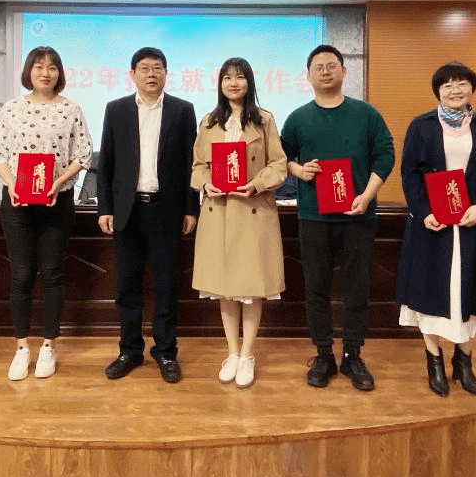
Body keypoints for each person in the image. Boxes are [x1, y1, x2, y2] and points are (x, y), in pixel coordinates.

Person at [280, 44, 395, 391]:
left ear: (344, 71)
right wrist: (299, 170)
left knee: (357, 287)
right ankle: (323, 354)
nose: (326, 71)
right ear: (308, 75)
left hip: (357, 215)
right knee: (315, 288)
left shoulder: (366, 114)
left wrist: (367, 195)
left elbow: (385, 155)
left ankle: (352, 355)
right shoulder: (298, 118)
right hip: (313, 217)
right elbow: (281, 158)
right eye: (318, 67)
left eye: (332, 65)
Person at [396, 62, 476, 397]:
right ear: (438, 92)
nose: (455, 90)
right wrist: (423, 212)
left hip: (473, 224)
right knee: (428, 292)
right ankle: (434, 359)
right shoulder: (421, 126)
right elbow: (409, 174)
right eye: (447, 85)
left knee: (471, 292)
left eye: (462, 84)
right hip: (433, 225)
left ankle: (464, 361)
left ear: (472, 88)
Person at [0, 47, 93, 381]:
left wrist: (59, 183)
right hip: (17, 201)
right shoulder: (11, 108)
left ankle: (49, 344)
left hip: (56, 201)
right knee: (21, 273)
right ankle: (22, 347)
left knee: (51, 273)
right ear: (28, 71)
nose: (45, 73)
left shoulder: (71, 108)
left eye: (52, 67)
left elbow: (83, 153)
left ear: (59, 73)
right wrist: (12, 185)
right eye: (38, 67)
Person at [97, 47, 199, 383]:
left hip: (165, 210)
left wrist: (191, 208)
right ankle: (129, 350)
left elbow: (191, 163)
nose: (151, 74)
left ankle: (166, 352)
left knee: (166, 284)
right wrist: (105, 208)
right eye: (144, 68)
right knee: (127, 285)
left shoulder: (182, 110)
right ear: (132, 74)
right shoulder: (116, 110)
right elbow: (107, 162)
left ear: (166, 74)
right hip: (127, 210)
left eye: (157, 68)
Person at [191, 58, 287, 388]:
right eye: (227, 77)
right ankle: (232, 352)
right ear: (220, 84)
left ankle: (247, 355)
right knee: (225, 289)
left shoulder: (264, 120)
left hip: (253, 209)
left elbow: (279, 164)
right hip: (218, 211)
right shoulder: (208, 122)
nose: (234, 83)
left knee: (251, 287)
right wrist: (206, 184)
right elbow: (197, 166)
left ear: (249, 82)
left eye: (240, 77)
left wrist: (256, 184)